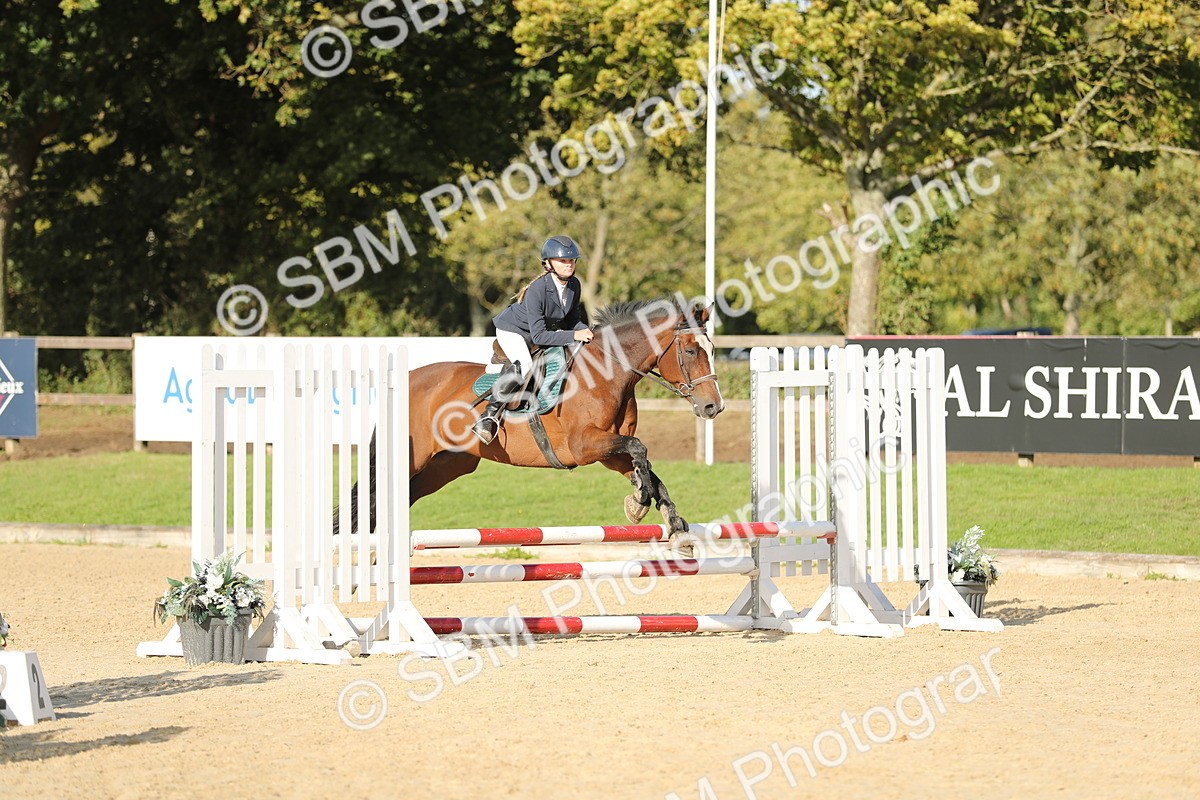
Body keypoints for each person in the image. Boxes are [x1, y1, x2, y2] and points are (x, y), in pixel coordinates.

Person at [471, 235, 595, 444]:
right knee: (525, 364)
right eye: (563, 261)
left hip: (537, 332)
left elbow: (573, 321)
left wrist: (592, 333)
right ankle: (488, 416)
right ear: (548, 264)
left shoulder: (574, 285)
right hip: (513, 331)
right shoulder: (538, 289)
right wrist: (575, 335)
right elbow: (539, 335)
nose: (568, 265)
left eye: (572, 260)